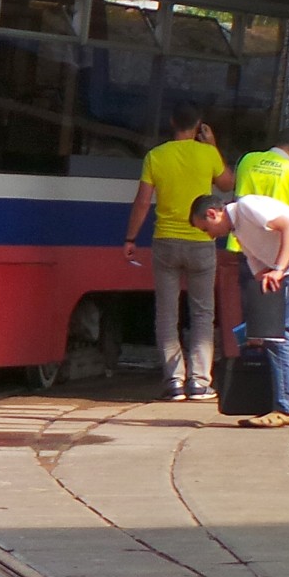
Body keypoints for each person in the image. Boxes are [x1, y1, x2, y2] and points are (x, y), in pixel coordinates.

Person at [190, 193, 289, 428]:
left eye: (206, 228)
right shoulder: (239, 231)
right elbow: (259, 270)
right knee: (271, 334)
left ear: (213, 213)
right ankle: (279, 403)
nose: (209, 236)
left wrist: (279, 269)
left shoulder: (247, 207)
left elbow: (288, 227)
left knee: (282, 334)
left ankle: (287, 409)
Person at [123, 103, 235, 401]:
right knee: (202, 313)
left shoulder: (156, 156)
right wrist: (213, 146)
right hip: (201, 242)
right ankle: (199, 382)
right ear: (199, 125)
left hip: (166, 243)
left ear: (172, 122)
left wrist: (130, 237)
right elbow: (227, 184)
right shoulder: (207, 153)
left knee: (166, 313)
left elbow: (143, 201)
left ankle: (174, 382)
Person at [218, 129, 289, 359]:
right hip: (278, 255)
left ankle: (246, 364)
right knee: (274, 320)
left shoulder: (248, 160)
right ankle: (267, 370)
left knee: (249, 313)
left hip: (244, 247)